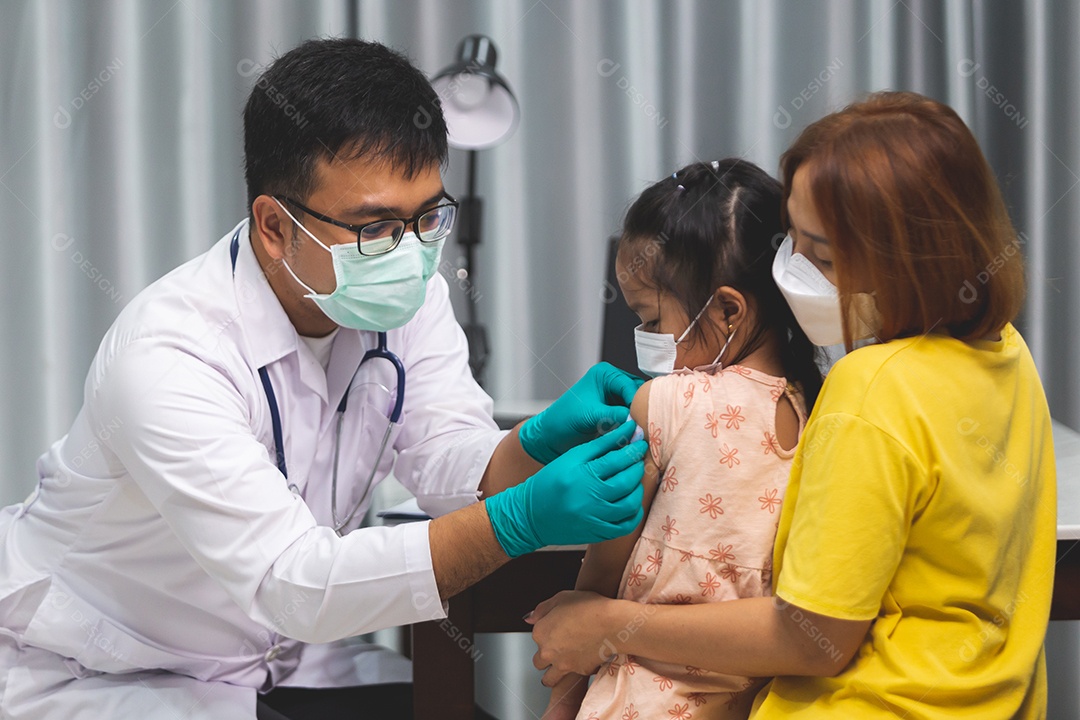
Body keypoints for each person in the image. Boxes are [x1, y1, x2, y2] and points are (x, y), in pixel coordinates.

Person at [0, 38, 649, 720]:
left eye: (428, 216)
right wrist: (517, 521)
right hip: (101, 669)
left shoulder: (404, 287)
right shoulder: (169, 357)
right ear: (275, 227)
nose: (410, 251)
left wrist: (530, 444)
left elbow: (443, 454)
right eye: (375, 227)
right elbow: (295, 581)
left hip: (279, 659)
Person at [529, 91, 1056, 719]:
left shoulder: (871, 388)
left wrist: (609, 623)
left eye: (823, 255)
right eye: (791, 242)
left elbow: (815, 636)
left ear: (911, 258)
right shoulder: (1010, 355)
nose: (792, 272)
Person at [543, 159, 822, 720]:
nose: (641, 336)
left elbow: (599, 578)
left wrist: (561, 699)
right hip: (756, 701)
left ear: (726, 310)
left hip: (643, 699)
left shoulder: (665, 404)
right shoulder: (818, 406)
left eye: (648, 317)